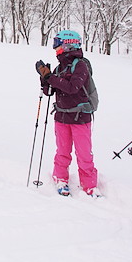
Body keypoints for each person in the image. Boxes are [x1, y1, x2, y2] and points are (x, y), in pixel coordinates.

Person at [35, 30, 99, 197]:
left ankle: (90, 185)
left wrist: (51, 77)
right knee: (62, 151)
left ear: (68, 44)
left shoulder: (81, 65)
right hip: (62, 116)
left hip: (80, 117)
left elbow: (72, 88)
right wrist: (45, 79)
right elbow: (50, 91)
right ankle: (60, 178)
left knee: (84, 154)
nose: (55, 48)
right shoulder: (60, 67)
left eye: (57, 44)